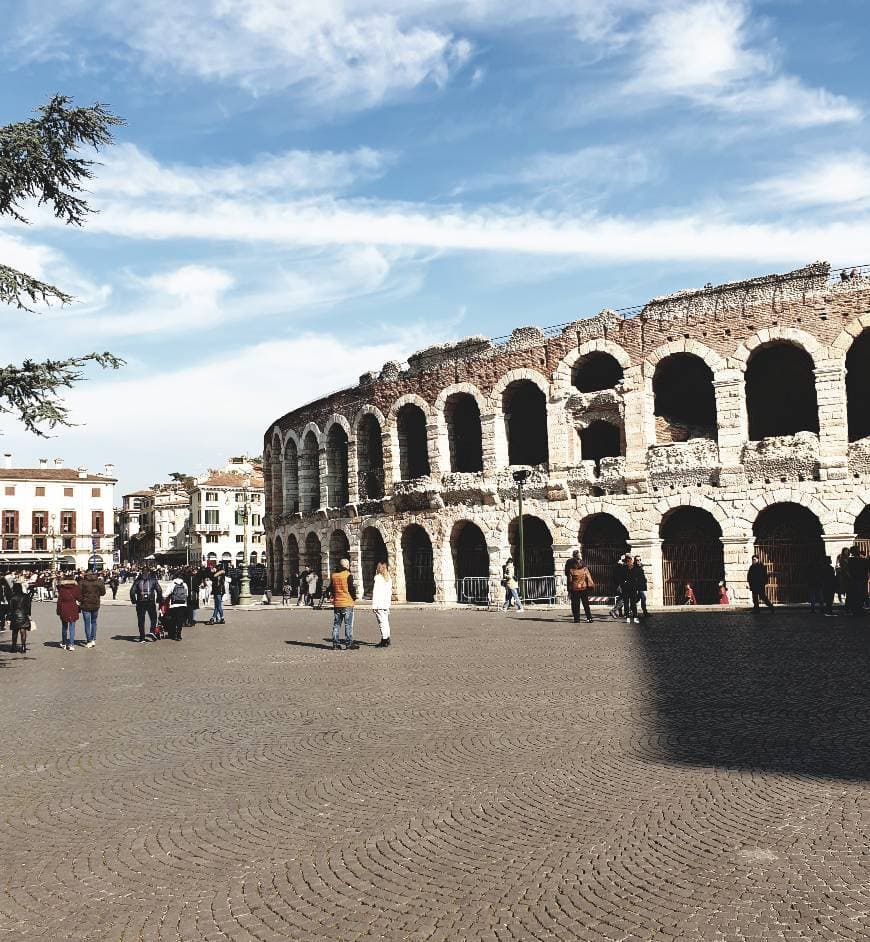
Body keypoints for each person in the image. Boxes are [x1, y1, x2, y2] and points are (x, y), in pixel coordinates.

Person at [329, 558, 357, 651]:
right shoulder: (348, 575)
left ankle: (335, 644)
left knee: (336, 624)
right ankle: (348, 644)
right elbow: (351, 589)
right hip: (347, 602)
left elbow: (331, 589)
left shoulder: (334, 575)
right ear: (347, 566)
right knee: (348, 624)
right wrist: (354, 598)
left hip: (337, 603)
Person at [131, 567, 163, 642]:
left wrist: (134, 601)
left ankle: (142, 637)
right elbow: (159, 590)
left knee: (141, 620)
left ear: (141, 572)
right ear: (149, 572)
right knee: (153, 618)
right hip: (150, 601)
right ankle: (152, 631)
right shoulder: (153, 579)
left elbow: (132, 591)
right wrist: (159, 599)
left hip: (140, 602)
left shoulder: (138, 580)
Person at [79, 569, 106, 648]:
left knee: (87, 623)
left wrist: (81, 600)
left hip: (85, 605)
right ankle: (93, 638)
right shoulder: (99, 582)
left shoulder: (82, 582)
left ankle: (89, 640)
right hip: (95, 604)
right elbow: (103, 593)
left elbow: (79, 594)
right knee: (94, 622)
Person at [56, 571, 82, 651]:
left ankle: (64, 643)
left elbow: (59, 601)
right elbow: (79, 598)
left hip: (64, 608)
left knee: (64, 627)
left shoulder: (62, 589)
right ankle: (71, 644)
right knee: (72, 627)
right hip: (73, 607)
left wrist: (58, 610)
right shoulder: (76, 588)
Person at [566, 553, 594, 623]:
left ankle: (576, 619)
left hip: (574, 588)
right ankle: (589, 618)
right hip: (583, 587)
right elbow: (588, 577)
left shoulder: (571, 569)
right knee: (586, 604)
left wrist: (569, 589)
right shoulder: (584, 568)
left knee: (575, 604)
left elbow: (570, 580)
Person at [371, 561, 392, 648]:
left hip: (379, 603)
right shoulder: (388, 578)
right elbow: (389, 592)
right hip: (386, 603)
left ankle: (384, 639)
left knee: (381, 622)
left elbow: (376, 592)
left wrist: (374, 605)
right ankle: (387, 637)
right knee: (386, 622)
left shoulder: (378, 577)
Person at [9, 582, 32, 653]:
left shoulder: (12, 597)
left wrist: (9, 617)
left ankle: (13, 646)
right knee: (23, 632)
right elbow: (28, 606)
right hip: (23, 615)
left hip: (15, 615)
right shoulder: (25, 596)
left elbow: (10, 608)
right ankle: (23, 647)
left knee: (15, 632)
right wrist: (29, 614)